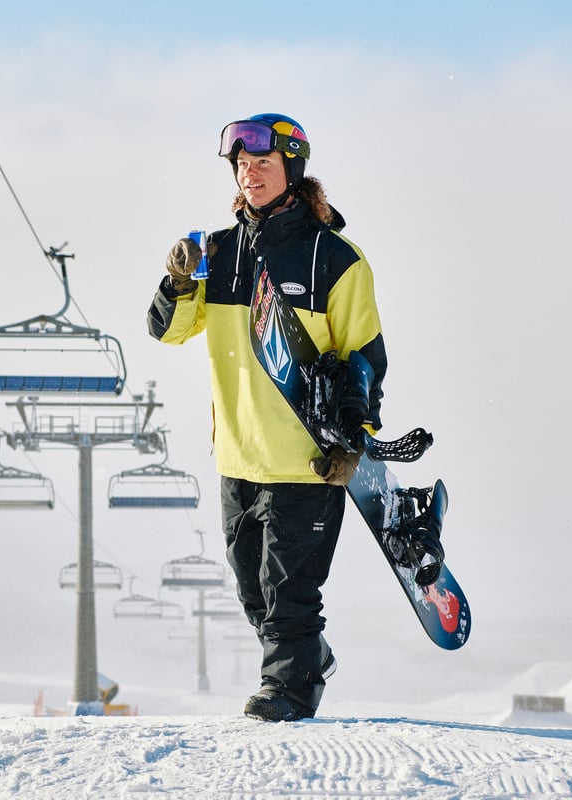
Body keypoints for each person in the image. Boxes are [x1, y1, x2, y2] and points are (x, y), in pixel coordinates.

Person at [147, 113, 388, 722]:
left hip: (305, 459)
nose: (249, 174)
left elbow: (364, 353)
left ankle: (290, 688)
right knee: (254, 591)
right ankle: (308, 656)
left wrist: (355, 436)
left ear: (292, 170)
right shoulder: (219, 254)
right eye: (241, 164)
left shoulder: (333, 257)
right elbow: (171, 332)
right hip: (237, 454)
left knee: (289, 595)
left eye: (262, 163)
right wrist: (176, 282)